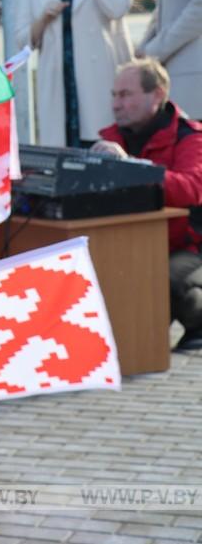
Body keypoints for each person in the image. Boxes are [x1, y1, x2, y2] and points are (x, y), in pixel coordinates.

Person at [91, 59, 202, 351]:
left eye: (126, 94)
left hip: (187, 247)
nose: (116, 104)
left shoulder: (190, 137)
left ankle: (196, 320)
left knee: (166, 280)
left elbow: (191, 189)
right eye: (114, 95)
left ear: (157, 94)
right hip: (132, 243)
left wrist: (131, 168)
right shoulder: (110, 139)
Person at [16, 0, 134, 148]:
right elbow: (23, 40)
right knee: (64, 150)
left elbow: (119, 7)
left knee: (102, 146)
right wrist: (44, 18)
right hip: (60, 80)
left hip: (101, 77)